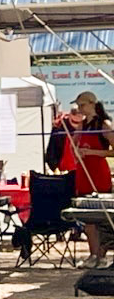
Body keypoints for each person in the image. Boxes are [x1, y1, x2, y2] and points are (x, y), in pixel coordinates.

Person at [55, 92, 114, 265]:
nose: (79, 109)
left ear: (92, 104)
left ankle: (102, 255)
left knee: (100, 217)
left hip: (98, 173)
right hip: (83, 173)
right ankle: (93, 254)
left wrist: (92, 152)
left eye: (82, 105)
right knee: (87, 218)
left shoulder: (104, 124)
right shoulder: (82, 125)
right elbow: (74, 144)